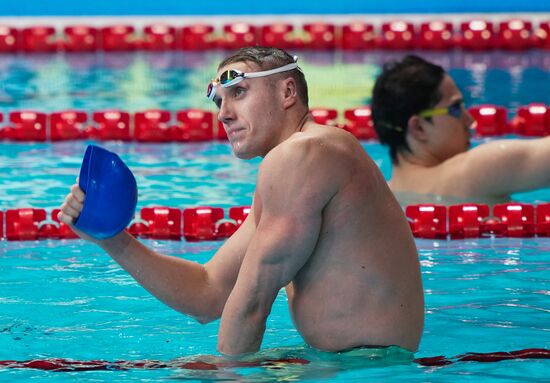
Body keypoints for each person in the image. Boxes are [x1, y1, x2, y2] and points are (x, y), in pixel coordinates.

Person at [58, 47, 424, 356]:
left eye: (239, 92)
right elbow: (208, 293)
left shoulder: (305, 153)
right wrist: (111, 238)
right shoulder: (295, 167)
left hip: (370, 370)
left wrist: (229, 377)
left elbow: (251, 304)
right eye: (219, 100)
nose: (224, 113)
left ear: (287, 92)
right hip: (358, 365)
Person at [371, 54, 550, 206]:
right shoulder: (474, 172)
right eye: (456, 108)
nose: (470, 120)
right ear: (419, 128)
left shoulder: (380, 201)